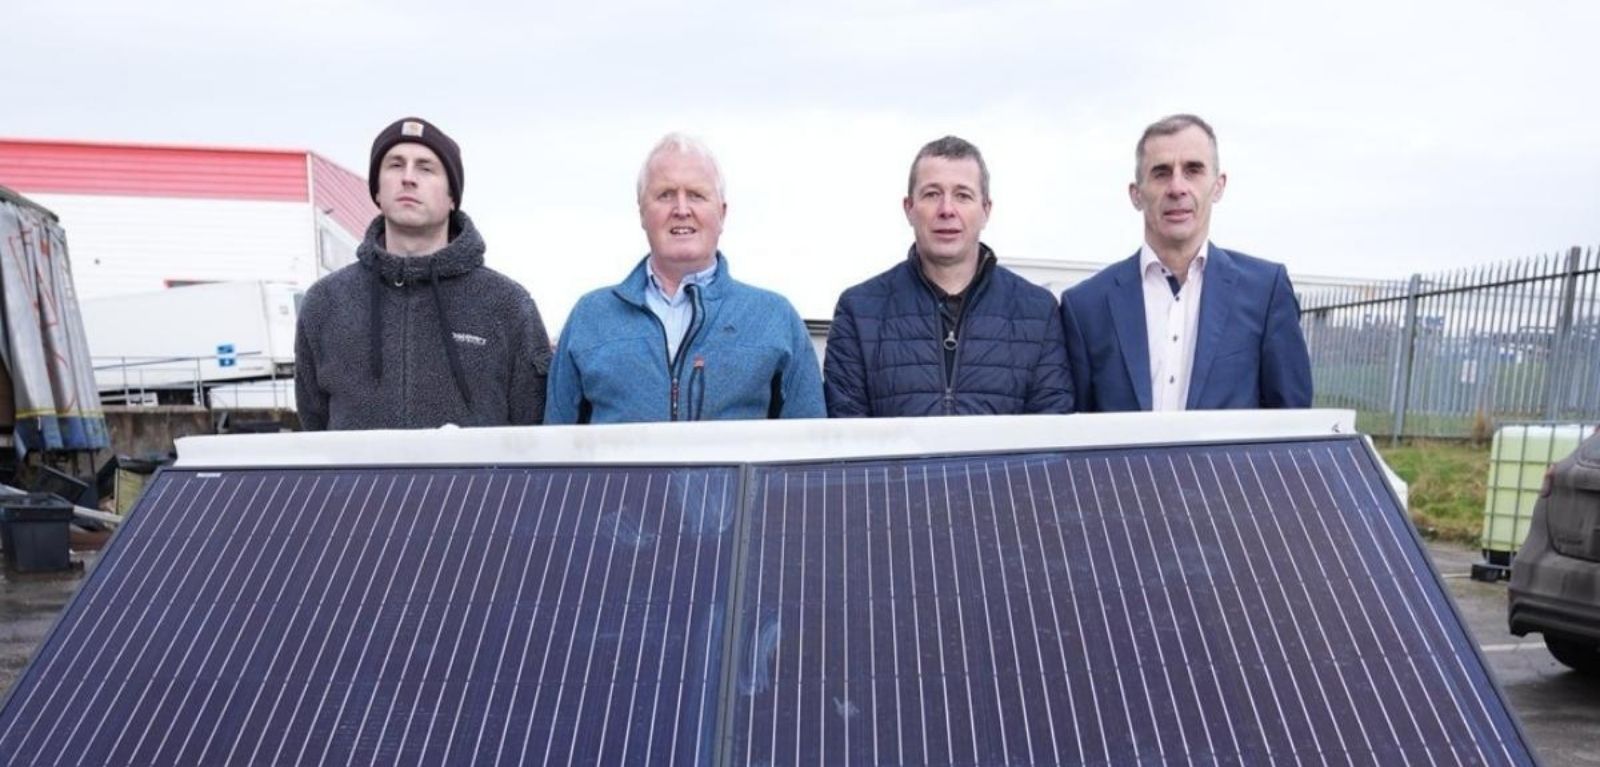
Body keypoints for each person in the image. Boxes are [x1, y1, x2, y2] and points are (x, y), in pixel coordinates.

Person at [544, 133, 824, 423]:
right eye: (665, 195)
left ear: (722, 213)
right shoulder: (590, 317)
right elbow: (552, 450)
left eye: (696, 195)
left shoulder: (774, 318)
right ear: (642, 211)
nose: (681, 210)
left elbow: (812, 449)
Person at [294, 117, 550, 430]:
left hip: (475, 482)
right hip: (359, 482)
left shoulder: (507, 305)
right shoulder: (326, 303)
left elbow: (533, 428)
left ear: (452, 196)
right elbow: (314, 422)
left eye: (426, 168)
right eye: (395, 165)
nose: (408, 178)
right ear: (376, 189)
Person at [1060, 114, 1311, 412]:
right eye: (1161, 172)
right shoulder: (1086, 307)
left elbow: (1293, 425)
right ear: (1136, 195)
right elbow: (1075, 438)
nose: (1177, 187)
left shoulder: (1265, 293)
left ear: (1218, 187)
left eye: (1193, 170)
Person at [824, 136, 1072, 416]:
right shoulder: (859, 311)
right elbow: (846, 439)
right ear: (909, 208)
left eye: (963, 195)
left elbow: (1051, 438)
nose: (946, 210)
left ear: (986, 210)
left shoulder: (1038, 312)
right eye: (931, 194)